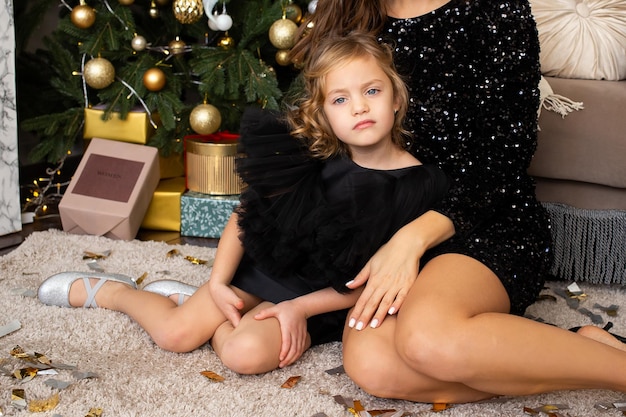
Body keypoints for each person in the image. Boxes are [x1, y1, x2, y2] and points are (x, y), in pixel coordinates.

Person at [37, 32, 449, 375]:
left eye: (371, 91)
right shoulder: (313, 158)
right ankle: (114, 293)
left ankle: (193, 304)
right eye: (340, 100)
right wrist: (217, 282)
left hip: (319, 299)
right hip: (256, 271)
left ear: (396, 97)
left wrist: (298, 310)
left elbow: (371, 280)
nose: (359, 106)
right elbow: (246, 214)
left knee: (243, 355)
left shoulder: (416, 184)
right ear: (324, 114)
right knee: (175, 336)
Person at [289, 0, 626, 404]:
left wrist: (412, 239)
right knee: (373, 365)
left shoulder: (495, 10)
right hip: (393, 226)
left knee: (427, 340)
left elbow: (507, 156)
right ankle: (571, 350)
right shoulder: (350, 14)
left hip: (485, 220)